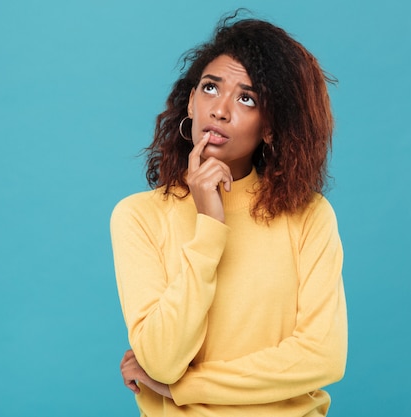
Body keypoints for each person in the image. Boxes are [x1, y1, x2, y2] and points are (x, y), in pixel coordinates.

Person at [110, 12, 347, 416]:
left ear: (270, 126)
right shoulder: (138, 217)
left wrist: (181, 388)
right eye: (209, 87)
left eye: (246, 98)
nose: (220, 110)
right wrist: (209, 226)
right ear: (190, 101)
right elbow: (162, 360)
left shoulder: (309, 215)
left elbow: (323, 356)